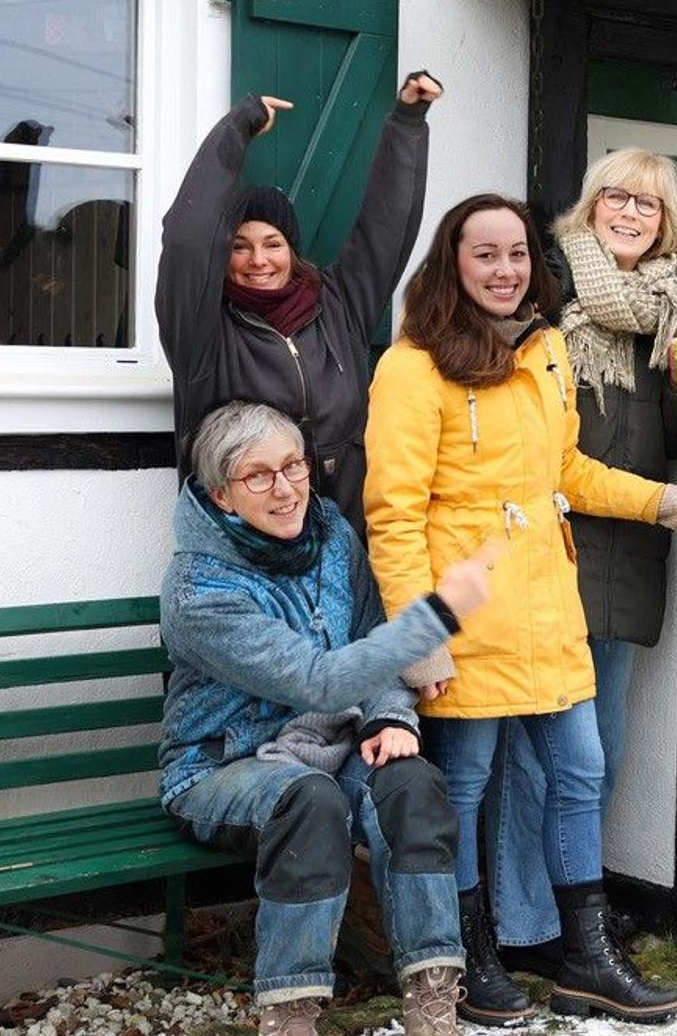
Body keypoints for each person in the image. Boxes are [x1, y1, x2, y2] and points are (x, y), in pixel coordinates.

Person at [365, 193, 677, 1025]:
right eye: (485, 255)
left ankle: (585, 959)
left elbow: (568, 471)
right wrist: (419, 637)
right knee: (466, 784)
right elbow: (394, 514)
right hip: (466, 618)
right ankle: (471, 956)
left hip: (551, 608)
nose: (505, 270)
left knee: (580, 773)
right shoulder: (412, 365)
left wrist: (658, 501)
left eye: (516, 254)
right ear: (453, 262)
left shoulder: (548, 349)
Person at [159, 400, 496, 1036]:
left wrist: (391, 716)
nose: (285, 488)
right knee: (309, 804)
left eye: (294, 465)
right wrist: (438, 614)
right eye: (258, 475)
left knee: (412, 785)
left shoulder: (330, 534)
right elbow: (321, 678)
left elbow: (367, 632)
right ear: (222, 496)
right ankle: (289, 1016)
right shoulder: (200, 593)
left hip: (331, 749)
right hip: (222, 767)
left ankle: (433, 1008)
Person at [494, 149, 677, 978]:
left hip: (631, 557)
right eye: (616, 196)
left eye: (649, 205)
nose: (630, 214)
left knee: (598, 750)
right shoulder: (548, 293)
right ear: (590, 204)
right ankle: (523, 924)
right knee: (535, 756)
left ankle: (569, 907)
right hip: (554, 551)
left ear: (666, 225)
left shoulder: (676, 316)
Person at [157, 73, 442, 535]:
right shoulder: (201, 331)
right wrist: (236, 131)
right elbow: (187, 239)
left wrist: (408, 122)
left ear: (292, 249)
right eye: (239, 246)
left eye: (273, 243)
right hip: (245, 553)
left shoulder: (338, 305)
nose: (258, 260)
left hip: (344, 542)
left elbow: (386, 228)